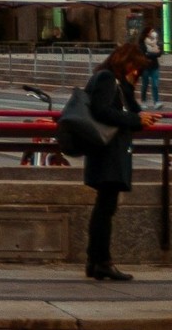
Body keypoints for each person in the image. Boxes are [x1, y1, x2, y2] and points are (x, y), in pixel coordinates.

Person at [81, 42, 161, 280]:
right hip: (107, 153)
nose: (136, 72)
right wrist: (136, 120)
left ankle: (95, 261)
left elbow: (131, 109)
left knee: (105, 207)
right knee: (105, 208)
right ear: (125, 61)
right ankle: (101, 262)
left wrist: (130, 88)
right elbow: (102, 111)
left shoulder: (115, 81)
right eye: (135, 67)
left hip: (109, 153)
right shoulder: (106, 78)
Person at [140, 26, 162, 107]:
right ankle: (143, 101)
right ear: (147, 33)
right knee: (145, 84)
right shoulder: (142, 42)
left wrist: (151, 54)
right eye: (151, 31)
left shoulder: (155, 41)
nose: (152, 32)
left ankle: (156, 102)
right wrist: (154, 54)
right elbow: (144, 54)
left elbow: (160, 53)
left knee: (155, 84)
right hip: (145, 66)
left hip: (154, 66)